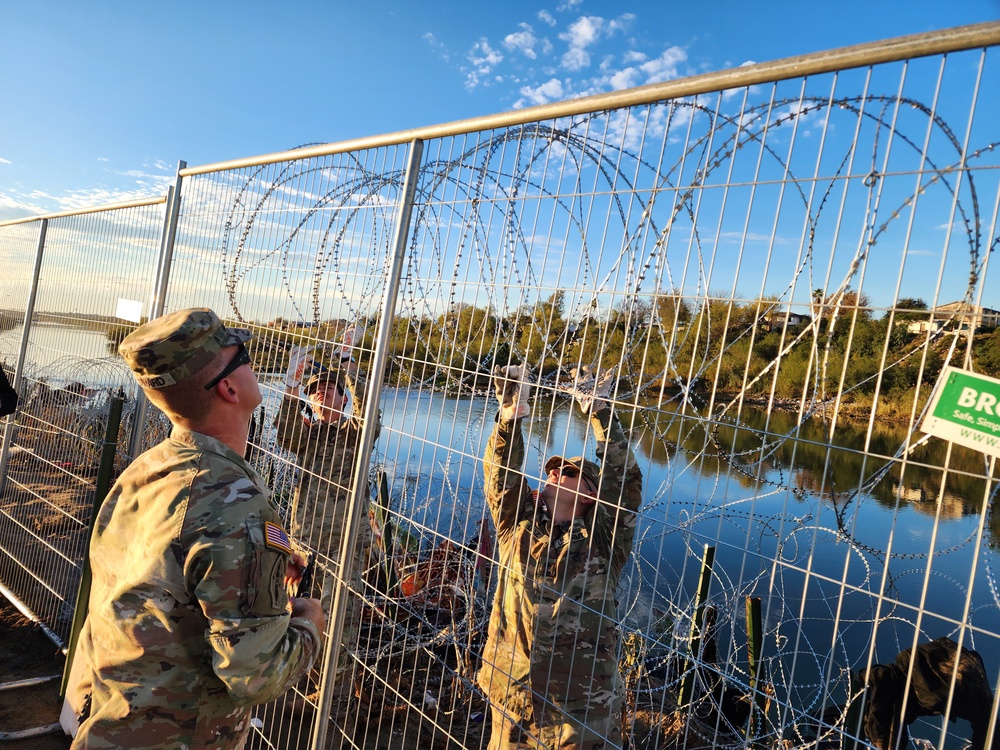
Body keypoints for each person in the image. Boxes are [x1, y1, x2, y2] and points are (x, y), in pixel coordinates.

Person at [69, 308, 325, 749]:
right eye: (242, 355)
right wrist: (307, 624)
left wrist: (264, 564)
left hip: (112, 726)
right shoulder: (231, 502)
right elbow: (254, 677)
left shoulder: (144, 473)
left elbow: (164, 580)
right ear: (228, 388)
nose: (254, 364)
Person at [478, 364, 643, 750]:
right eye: (552, 471)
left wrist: (601, 414)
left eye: (568, 473)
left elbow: (626, 485)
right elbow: (499, 475)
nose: (554, 475)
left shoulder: (604, 542)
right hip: (512, 700)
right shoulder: (516, 528)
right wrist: (509, 418)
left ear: (591, 495)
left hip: (582, 714)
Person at [272, 326, 381, 707]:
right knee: (301, 609)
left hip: (345, 543)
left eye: (331, 389)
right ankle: (305, 678)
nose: (322, 393)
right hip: (306, 542)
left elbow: (371, 412)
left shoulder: (355, 432)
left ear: (344, 397)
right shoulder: (309, 435)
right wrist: (290, 383)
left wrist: (348, 361)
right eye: (316, 390)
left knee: (341, 622)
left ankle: (333, 695)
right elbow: (284, 432)